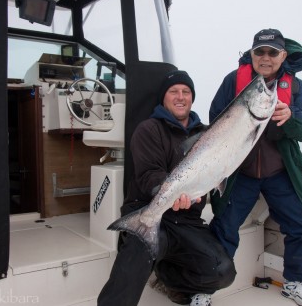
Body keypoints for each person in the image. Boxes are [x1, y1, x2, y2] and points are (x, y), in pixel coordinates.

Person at [97, 70, 236, 306]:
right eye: (174, 91)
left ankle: (168, 278)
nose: (180, 96)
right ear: (164, 97)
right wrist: (170, 196)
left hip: (187, 220)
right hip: (149, 210)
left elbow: (213, 173)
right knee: (138, 252)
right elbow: (149, 175)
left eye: (186, 92)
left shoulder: (206, 134)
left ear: (192, 98)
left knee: (222, 271)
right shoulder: (148, 130)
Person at [209, 29, 302, 306]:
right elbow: (215, 119)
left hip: (280, 173)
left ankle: (295, 282)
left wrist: (291, 117)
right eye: (260, 52)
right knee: (223, 227)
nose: (266, 58)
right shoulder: (233, 81)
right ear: (252, 54)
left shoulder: (295, 87)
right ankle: (205, 285)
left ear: (283, 55)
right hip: (239, 174)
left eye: (272, 52)